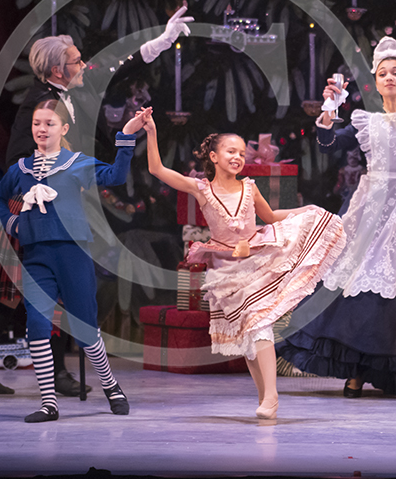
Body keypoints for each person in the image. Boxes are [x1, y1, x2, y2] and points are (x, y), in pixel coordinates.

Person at [0, 4, 194, 395]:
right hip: (36, 205)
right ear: (57, 71)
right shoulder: (38, 104)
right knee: (31, 290)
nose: (84, 64)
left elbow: (116, 69)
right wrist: (38, 186)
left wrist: (161, 40)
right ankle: (48, 375)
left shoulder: (75, 87)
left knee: (26, 290)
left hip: (64, 202)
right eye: (76, 61)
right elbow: (16, 154)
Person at [142, 112, 346, 419]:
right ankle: (265, 397)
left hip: (256, 260)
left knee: (259, 323)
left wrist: (306, 210)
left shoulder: (249, 188)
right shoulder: (202, 189)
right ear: (214, 157)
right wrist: (152, 132)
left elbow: (271, 217)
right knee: (247, 334)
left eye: (241, 153)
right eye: (231, 151)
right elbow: (156, 169)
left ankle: (272, 396)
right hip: (226, 271)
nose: (237, 157)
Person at [0, 100, 152, 422]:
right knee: (37, 325)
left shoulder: (75, 163)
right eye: (37, 123)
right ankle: (48, 403)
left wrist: (126, 135)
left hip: (72, 254)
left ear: (63, 128)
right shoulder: (21, 169)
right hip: (36, 258)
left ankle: (111, 386)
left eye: (49, 123)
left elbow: (116, 175)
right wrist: (12, 223)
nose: (41, 129)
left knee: (85, 328)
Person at [276, 36, 396, 397]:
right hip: (373, 208)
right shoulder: (368, 122)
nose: (390, 78)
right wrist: (329, 111)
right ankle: (356, 370)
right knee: (358, 286)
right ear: (375, 82)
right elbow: (328, 145)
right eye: (384, 73)